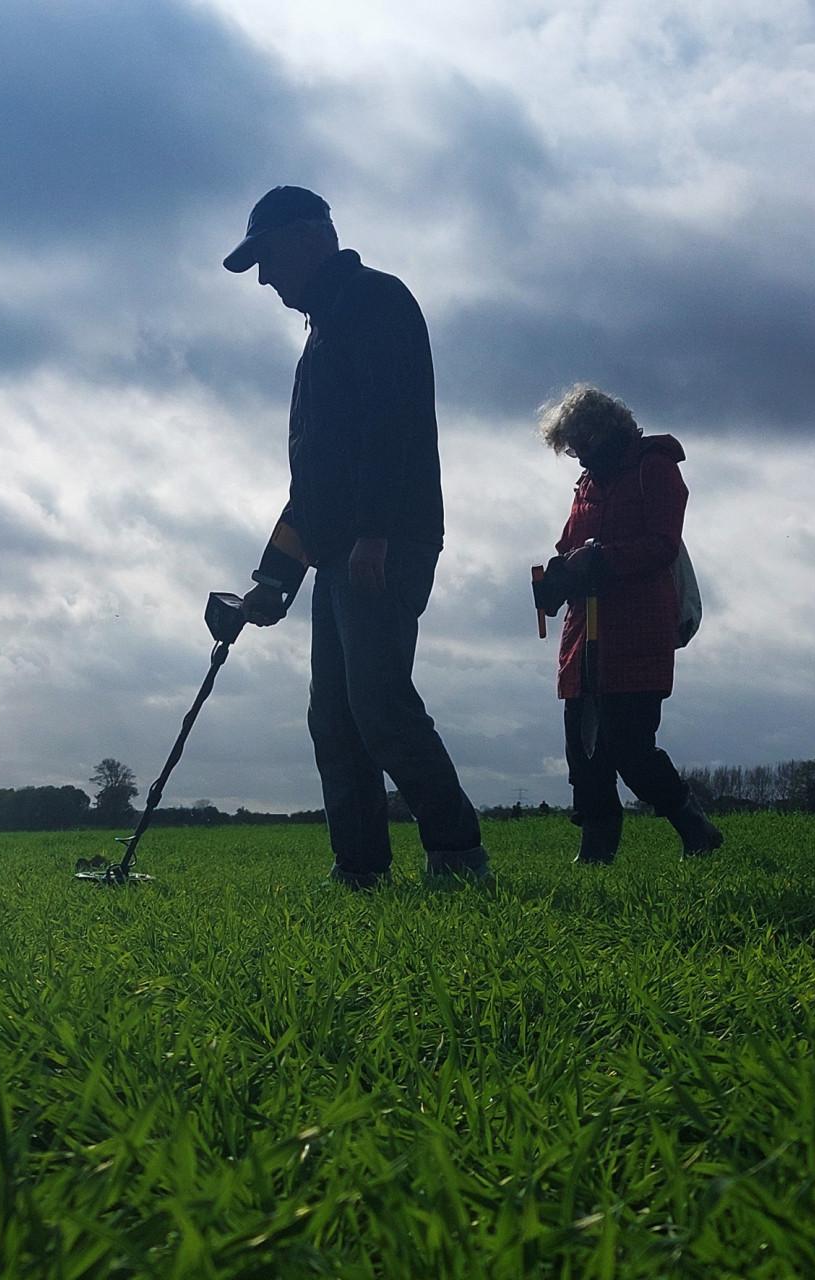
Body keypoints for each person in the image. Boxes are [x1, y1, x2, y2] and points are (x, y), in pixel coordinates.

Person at [222, 185, 490, 889]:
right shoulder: (322, 331)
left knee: (377, 702)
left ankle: (458, 854)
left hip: (384, 544)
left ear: (311, 237)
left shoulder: (374, 301)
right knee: (335, 717)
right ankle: (360, 867)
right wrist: (273, 577)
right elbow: (315, 481)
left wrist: (374, 532)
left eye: (266, 256)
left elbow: (391, 424)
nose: (263, 277)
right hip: (342, 553)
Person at [535, 385, 723, 863]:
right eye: (571, 448)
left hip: (638, 632)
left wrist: (599, 560)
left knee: (629, 747)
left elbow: (663, 544)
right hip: (585, 640)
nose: (577, 457)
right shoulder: (587, 484)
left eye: (580, 444)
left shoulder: (655, 469)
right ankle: (596, 852)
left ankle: (693, 826)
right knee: (585, 752)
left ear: (603, 431)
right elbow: (570, 547)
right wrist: (558, 579)